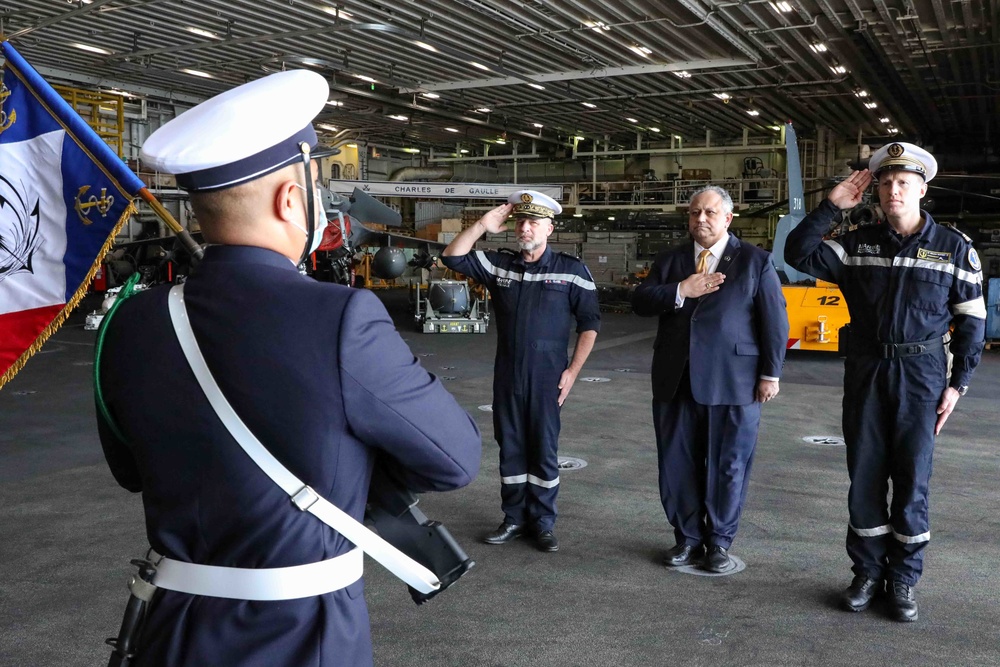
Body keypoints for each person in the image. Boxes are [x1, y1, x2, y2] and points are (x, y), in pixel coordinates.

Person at [95, 70, 482, 666]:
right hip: (302, 635)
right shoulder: (343, 317)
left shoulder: (132, 320)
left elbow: (131, 469)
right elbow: (455, 459)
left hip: (168, 630)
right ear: (291, 198)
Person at [785, 143, 986, 621]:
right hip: (868, 374)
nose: (894, 190)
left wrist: (958, 385)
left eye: (903, 182)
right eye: (885, 182)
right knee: (866, 477)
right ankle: (868, 572)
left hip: (922, 378)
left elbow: (974, 323)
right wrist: (832, 206)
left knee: (913, 479)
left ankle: (903, 579)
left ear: (921, 188)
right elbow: (797, 253)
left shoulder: (954, 247)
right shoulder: (856, 244)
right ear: (874, 189)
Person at [632, 185, 788, 574]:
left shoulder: (755, 261)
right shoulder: (671, 261)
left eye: (709, 213)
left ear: (728, 218)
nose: (700, 220)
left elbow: (774, 321)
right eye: (694, 213)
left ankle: (718, 542)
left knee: (728, 464)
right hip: (676, 380)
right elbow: (640, 301)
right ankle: (687, 538)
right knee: (677, 462)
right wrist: (680, 290)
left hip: (735, 383)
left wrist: (771, 373)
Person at [441, 190, 600, 553]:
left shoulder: (572, 271)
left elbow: (590, 324)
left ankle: (542, 522)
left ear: (550, 227)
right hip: (508, 375)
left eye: (533, 222)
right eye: (520, 221)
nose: (525, 228)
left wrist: (573, 372)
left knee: (543, 448)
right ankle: (513, 518)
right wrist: (483, 224)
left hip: (548, 377)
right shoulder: (500, 264)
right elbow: (452, 256)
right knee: (510, 447)